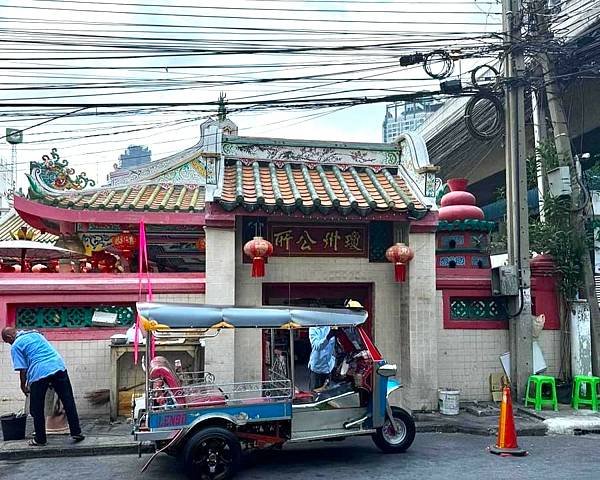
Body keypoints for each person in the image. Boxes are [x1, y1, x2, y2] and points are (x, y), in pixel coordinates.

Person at [1, 327, 85, 446]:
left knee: (37, 408)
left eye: (7, 342)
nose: (9, 344)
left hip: (39, 373)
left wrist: (22, 386)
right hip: (58, 366)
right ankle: (77, 432)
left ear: (9, 337)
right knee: (68, 401)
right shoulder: (36, 334)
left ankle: (40, 439)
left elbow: (22, 369)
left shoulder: (16, 345)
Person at [308, 326, 337, 390]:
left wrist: (333, 359)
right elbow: (316, 346)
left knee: (326, 394)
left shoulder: (329, 327)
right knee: (315, 394)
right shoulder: (313, 329)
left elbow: (332, 346)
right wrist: (328, 337)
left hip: (328, 368)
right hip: (317, 368)